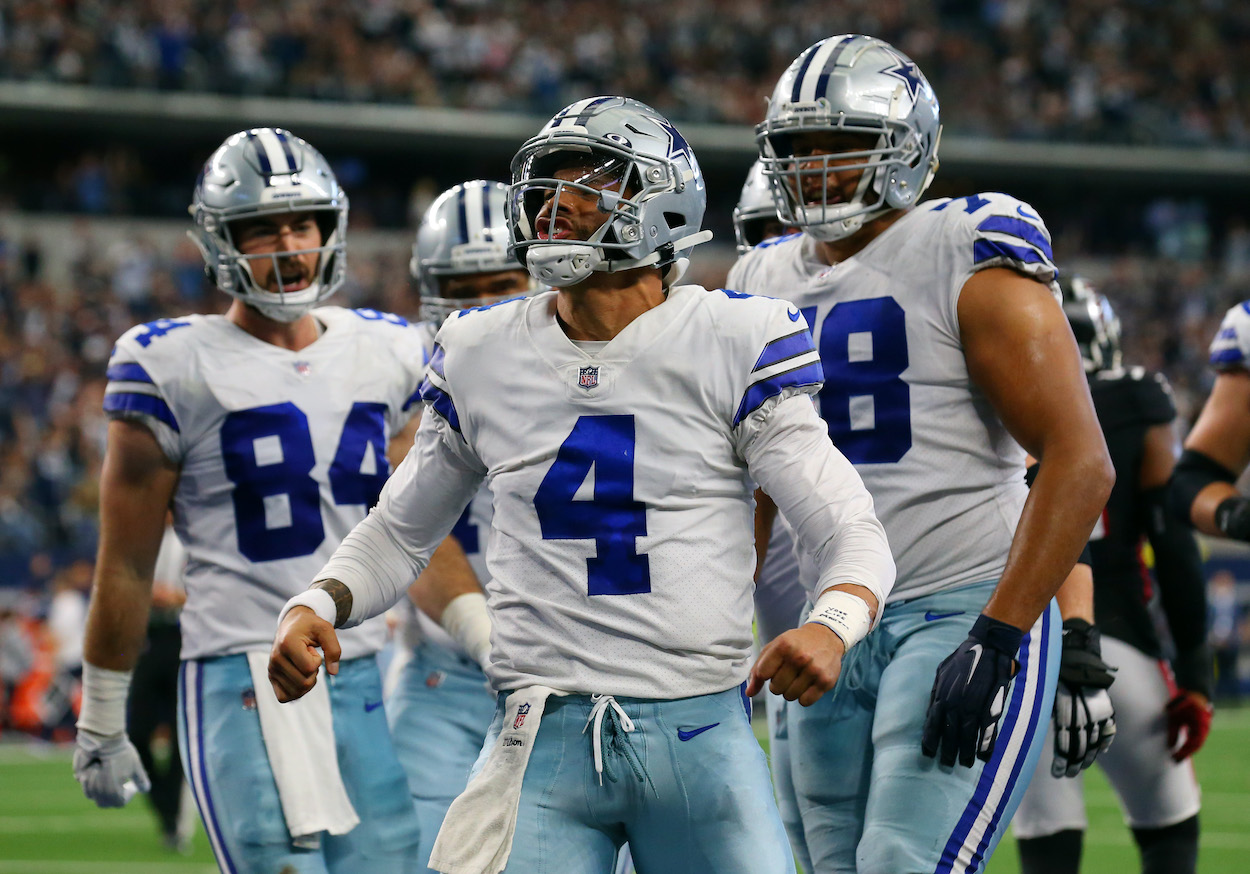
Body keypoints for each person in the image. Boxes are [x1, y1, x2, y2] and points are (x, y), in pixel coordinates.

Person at [269, 95, 896, 874]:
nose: (556, 204)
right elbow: (400, 530)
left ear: (663, 204)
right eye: (549, 185)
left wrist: (832, 622)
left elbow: (848, 528)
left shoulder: (734, 337)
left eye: (590, 184)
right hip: (538, 735)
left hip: (700, 732)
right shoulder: (481, 348)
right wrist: (317, 600)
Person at [728, 35, 1114, 874]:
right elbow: (746, 487)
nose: (813, 166)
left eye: (840, 143)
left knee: (907, 862)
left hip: (961, 599)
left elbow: (1080, 461)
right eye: (797, 145)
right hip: (830, 619)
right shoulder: (756, 280)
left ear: (906, 151)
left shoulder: (965, 246)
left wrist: (1000, 635)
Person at [73, 128, 423, 873]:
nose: (288, 246)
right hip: (238, 670)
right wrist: (103, 716)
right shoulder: (168, 362)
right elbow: (128, 565)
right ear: (219, 241)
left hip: (358, 662)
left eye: (302, 224)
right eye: (261, 229)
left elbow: (423, 528)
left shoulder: (390, 349)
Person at [1014, 279, 1209, 874]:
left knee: (1048, 837)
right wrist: (1196, 674)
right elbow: (1174, 545)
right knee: (1169, 824)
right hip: (1120, 642)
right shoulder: (1134, 397)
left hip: (1027, 648)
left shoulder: (999, 397)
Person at [389, 179, 534, 873]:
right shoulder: (409, 379)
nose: (480, 305)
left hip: (573, 673)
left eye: (502, 281)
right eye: (459, 285)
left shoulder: (598, 366)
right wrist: (488, 643)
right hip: (447, 675)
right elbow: (413, 532)